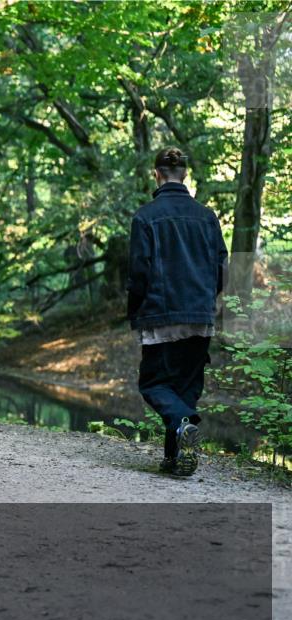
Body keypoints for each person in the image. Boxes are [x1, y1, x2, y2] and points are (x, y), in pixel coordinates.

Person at [127, 147, 227, 476]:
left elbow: (139, 274)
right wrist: (208, 301)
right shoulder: (207, 217)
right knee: (185, 389)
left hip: (161, 314)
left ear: (156, 174)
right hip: (200, 315)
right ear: (185, 174)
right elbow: (221, 266)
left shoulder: (145, 217)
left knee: (154, 385)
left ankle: (181, 436)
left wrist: (134, 310)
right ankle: (173, 459)